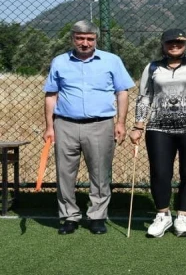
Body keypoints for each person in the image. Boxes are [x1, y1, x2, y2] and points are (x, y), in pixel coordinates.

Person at [43, 20, 134, 235]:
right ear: (72, 39)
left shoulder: (112, 61)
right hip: (65, 125)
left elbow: (122, 92)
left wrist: (120, 122)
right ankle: (69, 217)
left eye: (90, 39)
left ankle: (97, 216)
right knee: (65, 174)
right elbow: (51, 95)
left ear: (96, 39)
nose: (85, 43)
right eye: (80, 38)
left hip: (100, 125)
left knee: (100, 174)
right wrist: (49, 127)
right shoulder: (59, 62)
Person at [129, 28, 186, 238]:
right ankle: (163, 215)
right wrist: (138, 126)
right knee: (160, 172)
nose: (175, 45)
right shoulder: (152, 68)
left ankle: (182, 217)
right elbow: (144, 97)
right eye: (170, 42)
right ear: (163, 45)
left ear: (185, 44)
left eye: (179, 42)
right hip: (158, 128)